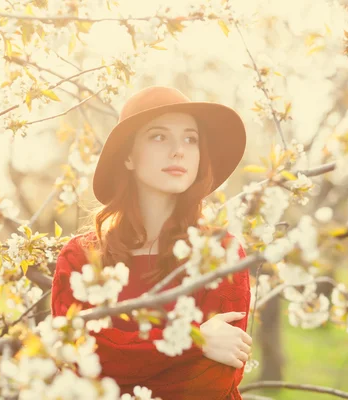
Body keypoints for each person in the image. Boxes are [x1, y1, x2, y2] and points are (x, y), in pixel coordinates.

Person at [51, 86, 252, 399]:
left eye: (190, 138)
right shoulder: (81, 258)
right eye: (159, 136)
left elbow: (213, 381)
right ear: (128, 156)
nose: (178, 150)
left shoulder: (220, 252)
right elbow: (77, 360)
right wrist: (195, 341)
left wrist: (120, 364)